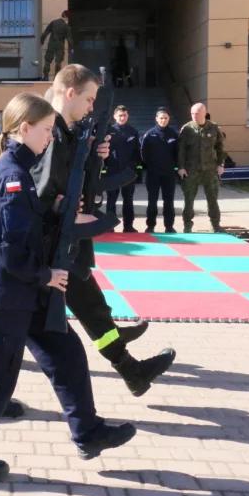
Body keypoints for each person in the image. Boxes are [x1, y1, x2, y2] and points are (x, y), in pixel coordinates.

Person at [0, 94, 137, 481]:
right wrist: (46, 276)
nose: (51, 136)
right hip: (9, 291)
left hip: (22, 290)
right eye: (47, 129)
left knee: (66, 351)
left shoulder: (20, 169)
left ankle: (89, 431)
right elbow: (9, 248)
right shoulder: (14, 175)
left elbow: (23, 229)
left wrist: (55, 209)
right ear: (24, 129)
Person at [30, 65, 175, 396]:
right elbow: (37, 189)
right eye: (89, 99)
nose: (92, 107)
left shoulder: (65, 130)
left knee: (87, 302)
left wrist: (96, 157)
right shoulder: (47, 130)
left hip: (62, 238)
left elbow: (68, 180)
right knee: (12, 319)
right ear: (70, 93)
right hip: (47, 242)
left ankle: (129, 368)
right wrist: (63, 210)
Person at [178, 103, 226, 233]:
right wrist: (181, 167)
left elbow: (221, 148)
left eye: (197, 113)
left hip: (210, 169)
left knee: (212, 198)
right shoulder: (187, 129)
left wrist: (221, 164)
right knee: (189, 199)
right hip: (191, 169)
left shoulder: (214, 127)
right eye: (192, 113)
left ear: (204, 113)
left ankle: (215, 225)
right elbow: (181, 150)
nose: (194, 116)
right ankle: (187, 225)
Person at [141, 109, 179, 233]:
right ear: (156, 119)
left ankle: (169, 226)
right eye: (161, 118)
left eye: (166, 118)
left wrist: (175, 167)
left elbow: (177, 153)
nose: (163, 120)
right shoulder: (149, 134)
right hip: (153, 174)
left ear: (169, 119)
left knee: (169, 201)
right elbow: (143, 154)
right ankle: (150, 226)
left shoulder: (173, 134)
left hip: (168, 174)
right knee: (152, 201)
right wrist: (150, 166)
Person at [105, 106, 141, 233]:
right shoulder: (108, 131)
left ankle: (128, 225)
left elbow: (137, 151)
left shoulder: (133, 132)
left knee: (128, 200)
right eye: (120, 115)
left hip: (128, 172)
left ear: (127, 116)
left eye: (124, 115)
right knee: (111, 200)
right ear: (115, 116)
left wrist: (137, 169)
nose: (122, 117)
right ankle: (109, 226)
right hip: (112, 171)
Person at [40, 10, 73, 81]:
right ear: (67, 17)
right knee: (58, 61)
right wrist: (71, 48)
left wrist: (42, 41)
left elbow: (45, 33)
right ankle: (56, 78)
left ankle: (46, 77)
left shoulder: (53, 23)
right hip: (60, 46)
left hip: (51, 44)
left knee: (47, 60)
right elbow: (69, 38)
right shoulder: (66, 26)